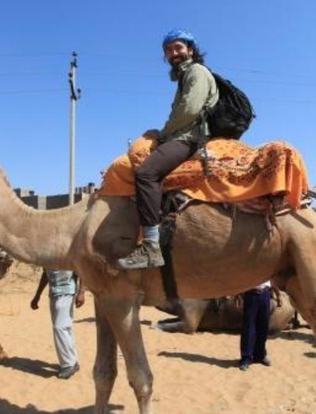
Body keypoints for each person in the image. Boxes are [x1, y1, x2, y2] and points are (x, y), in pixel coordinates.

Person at [116, 29, 219, 270]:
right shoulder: (185, 77)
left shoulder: (197, 72)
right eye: (169, 50)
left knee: (146, 174)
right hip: (182, 135)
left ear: (190, 50)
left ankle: (151, 246)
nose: (174, 53)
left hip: (188, 139)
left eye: (178, 48)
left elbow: (189, 111)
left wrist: (162, 135)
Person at [30, 269, 86, 379]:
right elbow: (45, 274)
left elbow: (82, 271)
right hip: (54, 293)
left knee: (59, 327)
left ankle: (67, 365)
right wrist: (37, 295)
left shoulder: (68, 253)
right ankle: (73, 361)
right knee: (65, 327)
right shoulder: (47, 255)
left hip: (67, 291)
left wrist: (82, 292)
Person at [239, 281, 273, 371]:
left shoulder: (268, 267)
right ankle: (246, 358)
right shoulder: (248, 267)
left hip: (265, 293)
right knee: (249, 327)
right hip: (251, 293)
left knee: (263, 326)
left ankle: (260, 355)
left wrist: (278, 294)